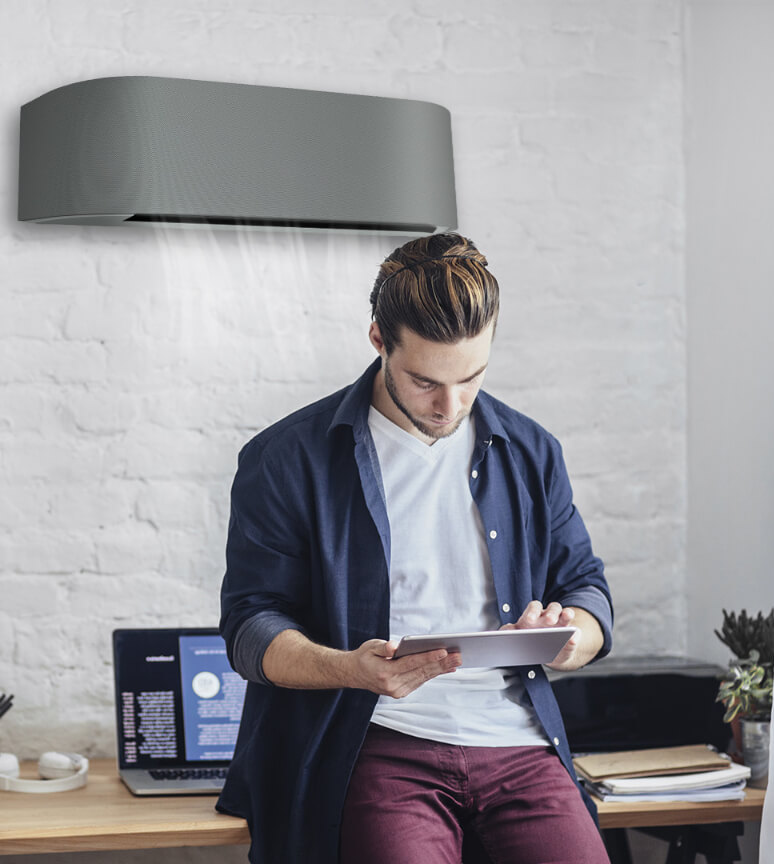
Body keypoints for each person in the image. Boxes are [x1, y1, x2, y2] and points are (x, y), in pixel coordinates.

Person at [217, 233, 614, 864]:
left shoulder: (532, 450)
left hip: (519, 741)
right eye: (425, 380)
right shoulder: (287, 459)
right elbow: (250, 628)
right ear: (379, 339)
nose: (450, 406)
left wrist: (573, 635)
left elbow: (586, 587)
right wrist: (350, 668)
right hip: (380, 739)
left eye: (471, 377)